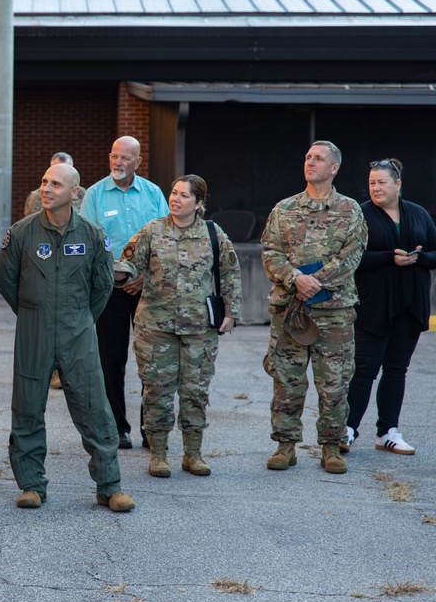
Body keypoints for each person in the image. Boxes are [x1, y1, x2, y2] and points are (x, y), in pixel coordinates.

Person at [0, 162, 134, 512]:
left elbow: (103, 286)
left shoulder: (91, 234)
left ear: (74, 193)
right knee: (27, 408)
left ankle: (109, 486)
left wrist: (80, 318)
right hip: (34, 331)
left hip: (78, 331)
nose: (46, 189)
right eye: (44, 182)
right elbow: (6, 281)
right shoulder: (22, 233)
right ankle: (31, 485)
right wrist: (33, 312)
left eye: (55, 184)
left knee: (95, 408)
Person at [114, 175, 242, 477]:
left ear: (199, 203)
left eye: (184, 195)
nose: (176, 199)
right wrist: (119, 273)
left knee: (195, 392)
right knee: (157, 391)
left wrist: (231, 312)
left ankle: (193, 454)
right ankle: (158, 453)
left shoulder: (213, 234)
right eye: (173, 193)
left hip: (199, 328)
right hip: (155, 327)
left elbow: (230, 273)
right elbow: (129, 262)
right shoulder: (152, 230)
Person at [261, 140, 366, 474]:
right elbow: (269, 250)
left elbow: (351, 255)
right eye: (307, 157)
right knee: (287, 381)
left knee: (334, 383)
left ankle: (332, 447)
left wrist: (315, 280)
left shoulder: (350, 209)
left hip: (333, 313)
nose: (310, 162)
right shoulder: (285, 208)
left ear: (334, 168)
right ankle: (285, 446)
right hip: (291, 310)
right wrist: (295, 278)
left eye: (318, 158)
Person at [80, 136, 169, 449]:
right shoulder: (94, 196)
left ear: (138, 161)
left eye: (125, 158)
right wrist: (115, 275)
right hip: (111, 289)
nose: (118, 163)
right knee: (110, 360)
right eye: (114, 157)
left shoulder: (154, 194)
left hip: (148, 288)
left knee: (153, 359)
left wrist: (143, 276)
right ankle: (117, 427)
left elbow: (165, 240)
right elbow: (89, 245)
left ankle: (151, 429)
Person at [344, 158, 436, 456]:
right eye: (372, 182)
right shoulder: (360, 214)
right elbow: (349, 259)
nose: (376, 188)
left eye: (382, 182)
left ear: (398, 183)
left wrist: (419, 258)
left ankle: (388, 432)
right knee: (364, 371)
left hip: (410, 306)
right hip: (374, 307)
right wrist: (389, 258)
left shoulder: (419, 214)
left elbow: (435, 252)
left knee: (396, 370)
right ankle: (347, 430)